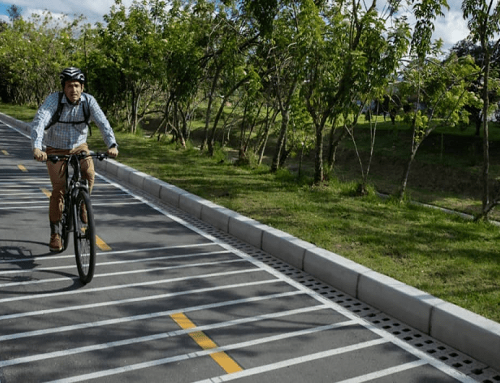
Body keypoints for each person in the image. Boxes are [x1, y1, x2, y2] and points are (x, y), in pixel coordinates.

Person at [31, 67, 119, 252]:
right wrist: (38, 147)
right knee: (59, 190)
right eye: (70, 86)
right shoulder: (54, 100)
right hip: (56, 148)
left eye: (77, 86)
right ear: (63, 87)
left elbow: (102, 122)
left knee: (89, 173)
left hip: (80, 146)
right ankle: (55, 233)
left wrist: (112, 144)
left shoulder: (89, 101)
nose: (74, 90)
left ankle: (82, 205)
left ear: (83, 87)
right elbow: (40, 121)